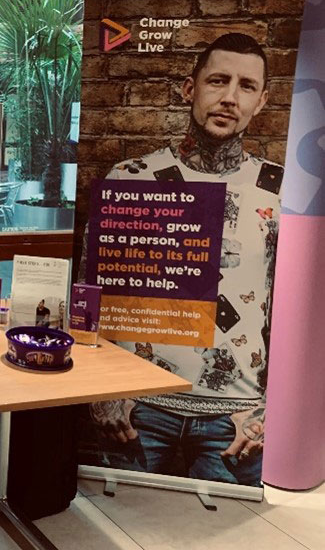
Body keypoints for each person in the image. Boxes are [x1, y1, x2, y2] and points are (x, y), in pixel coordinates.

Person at [89, 33, 280, 487]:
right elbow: (91, 297)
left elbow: (302, 320)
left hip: (236, 419)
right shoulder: (133, 178)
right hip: (139, 409)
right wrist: (102, 397)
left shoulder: (280, 191)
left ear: (262, 100)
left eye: (246, 86)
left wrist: (273, 411)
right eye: (217, 80)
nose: (230, 98)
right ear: (189, 89)